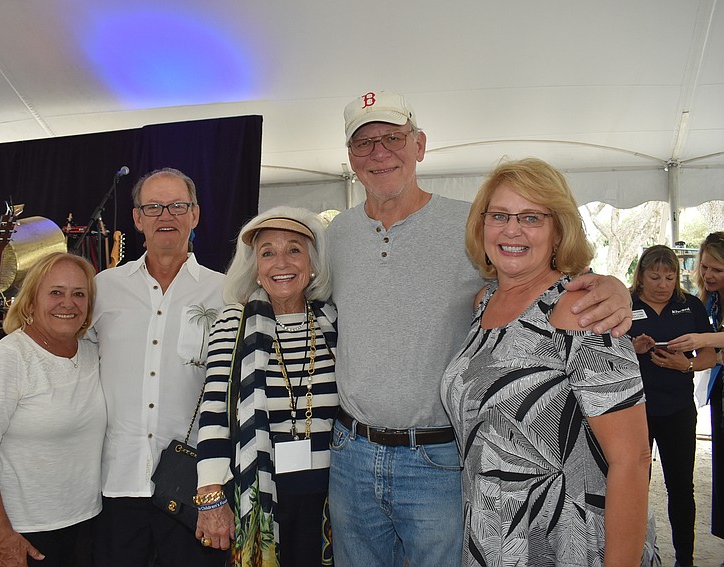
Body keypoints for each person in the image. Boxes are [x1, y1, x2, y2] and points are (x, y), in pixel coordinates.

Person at [326, 91, 636, 567]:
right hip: (351, 453)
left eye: (392, 137)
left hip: (437, 461)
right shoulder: (337, 235)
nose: (379, 152)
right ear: (349, 157)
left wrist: (615, 287)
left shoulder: (470, 222)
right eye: (364, 143)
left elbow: (552, 275)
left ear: (420, 145)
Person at [440, 157, 659, 566]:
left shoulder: (579, 309)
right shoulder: (484, 302)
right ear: (481, 225)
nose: (511, 229)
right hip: (495, 540)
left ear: (559, 231)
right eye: (499, 215)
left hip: (568, 543)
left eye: (531, 217)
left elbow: (632, 459)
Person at [91, 167, 227, 567]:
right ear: (136, 218)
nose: (165, 215)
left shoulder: (225, 291)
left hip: (193, 485)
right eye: (153, 207)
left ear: (195, 214)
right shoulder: (103, 288)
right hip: (116, 481)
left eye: (177, 206)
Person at [196, 206, 337, 566]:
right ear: (255, 266)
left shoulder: (333, 321)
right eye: (267, 252)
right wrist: (211, 492)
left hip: (334, 499)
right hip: (259, 493)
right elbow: (214, 408)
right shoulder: (234, 320)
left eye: (294, 249)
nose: (281, 263)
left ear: (313, 262)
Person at [0, 252, 105, 567]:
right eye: (55, 292)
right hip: (23, 533)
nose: (69, 302)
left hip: (86, 522)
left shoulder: (92, 353)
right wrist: (1, 537)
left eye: (79, 294)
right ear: (31, 301)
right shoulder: (9, 360)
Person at [628, 244, 715, 566]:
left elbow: (708, 353)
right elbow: (600, 354)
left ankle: (685, 559)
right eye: (655, 277)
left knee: (681, 486)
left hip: (678, 410)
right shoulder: (624, 303)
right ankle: (634, 554)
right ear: (641, 276)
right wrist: (632, 349)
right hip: (635, 411)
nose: (663, 284)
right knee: (634, 486)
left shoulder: (689, 305)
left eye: (670, 276)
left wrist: (687, 366)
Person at [669, 231, 724, 557]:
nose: (707, 275)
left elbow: (708, 344)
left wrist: (704, 341)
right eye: (704, 268)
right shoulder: (707, 301)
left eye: (717, 269)